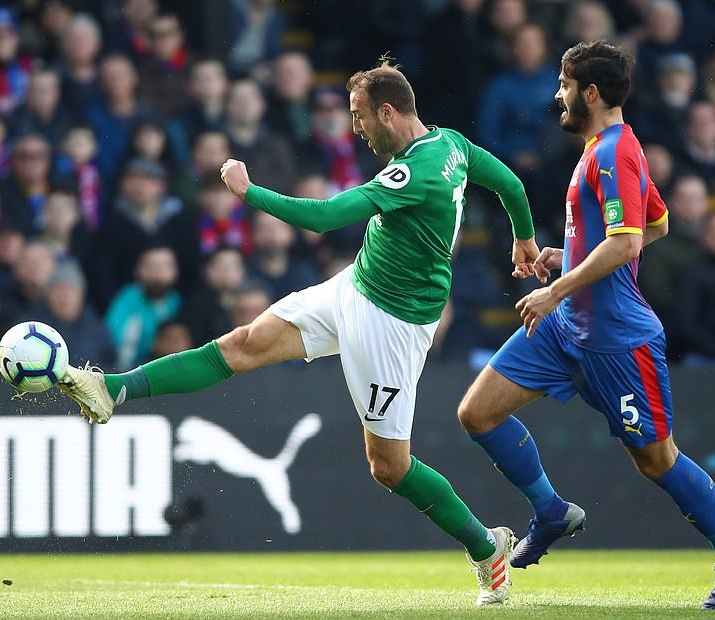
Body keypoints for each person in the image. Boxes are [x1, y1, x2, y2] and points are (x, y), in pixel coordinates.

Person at [56, 57, 540, 606]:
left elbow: (324, 218)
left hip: (394, 326)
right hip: (355, 286)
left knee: (389, 467)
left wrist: (248, 192)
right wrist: (523, 238)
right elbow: (508, 183)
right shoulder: (450, 143)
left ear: (387, 111)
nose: (355, 127)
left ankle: (485, 548)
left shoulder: (416, 172)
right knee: (242, 344)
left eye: (359, 116)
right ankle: (113, 387)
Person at [454, 40, 715, 611]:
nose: (557, 95)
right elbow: (659, 224)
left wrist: (556, 288)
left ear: (589, 92)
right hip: (567, 327)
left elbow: (627, 242)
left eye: (564, 85)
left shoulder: (614, 153)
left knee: (656, 460)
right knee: (477, 412)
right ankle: (551, 511)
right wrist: (565, 261)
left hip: (617, 340)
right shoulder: (606, 148)